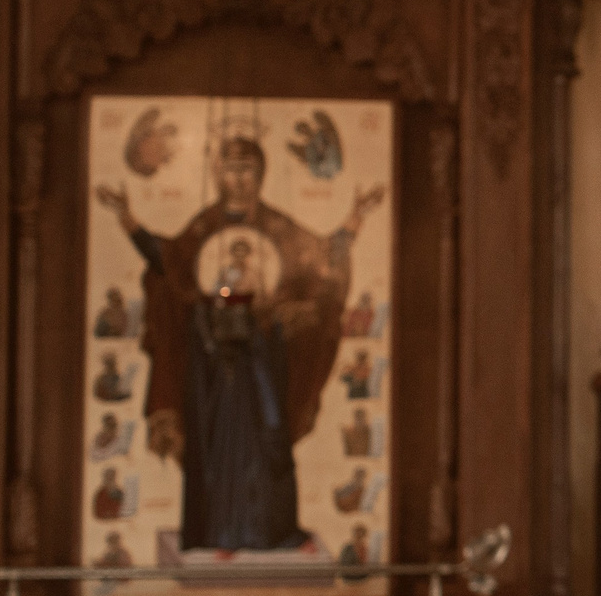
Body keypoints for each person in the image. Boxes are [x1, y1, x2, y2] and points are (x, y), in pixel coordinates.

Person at [95, 135, 384, 553]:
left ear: (261, 174)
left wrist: (355, 219)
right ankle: (218, 535)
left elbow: (321, 263)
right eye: (230, 169)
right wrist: (127, 219)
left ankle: (270, 532)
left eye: (248, 169)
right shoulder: (203, 228)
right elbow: (169, 262)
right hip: (212, 367)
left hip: (264, 363)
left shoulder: (279, 229)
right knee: (213, 447)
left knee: (270, 440)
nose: (239, 178)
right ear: (217, 174)